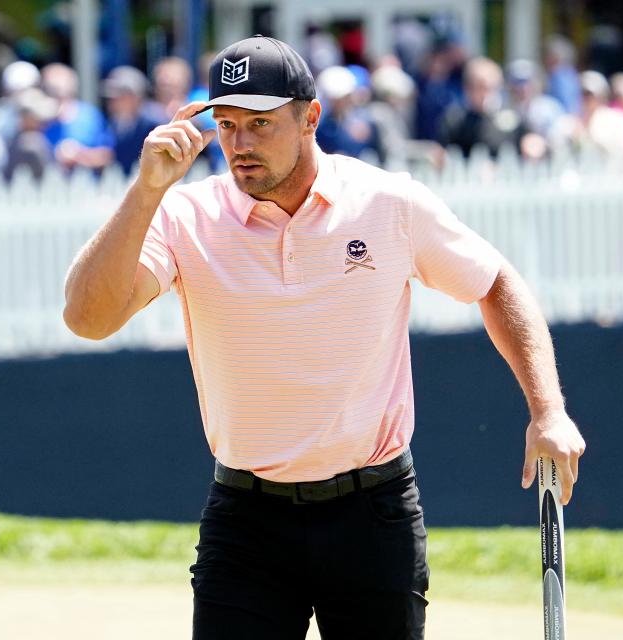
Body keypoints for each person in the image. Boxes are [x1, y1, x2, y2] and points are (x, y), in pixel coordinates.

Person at [62, 35, 586, 639]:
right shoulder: (185, 216)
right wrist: (148, 190)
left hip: (374, 511)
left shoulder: (387, 202)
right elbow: (87, 317)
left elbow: (496, 283)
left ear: (310, 117)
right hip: (246, 520)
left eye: (260, 123)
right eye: (227, 124)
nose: (241, 144)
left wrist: (547, 409)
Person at [439, 57, 530, 159]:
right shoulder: (454, 119)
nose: (484, 93)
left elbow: (529, 139)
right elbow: (445, 152)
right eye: (477, 87)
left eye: (488, 87)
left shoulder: (512, 115)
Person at [41, 63, 115, 173]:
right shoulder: (38, 120)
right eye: (51, 91)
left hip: (87, 186)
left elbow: (107, 156)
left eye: (61, 91)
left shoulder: (90, 116)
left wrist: (78, 155)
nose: (58, 97)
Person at [101, 66, 163, 176]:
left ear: (133, 96)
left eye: (117, 97)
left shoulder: (155, 122)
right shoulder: (114, 122)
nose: (111, 102)